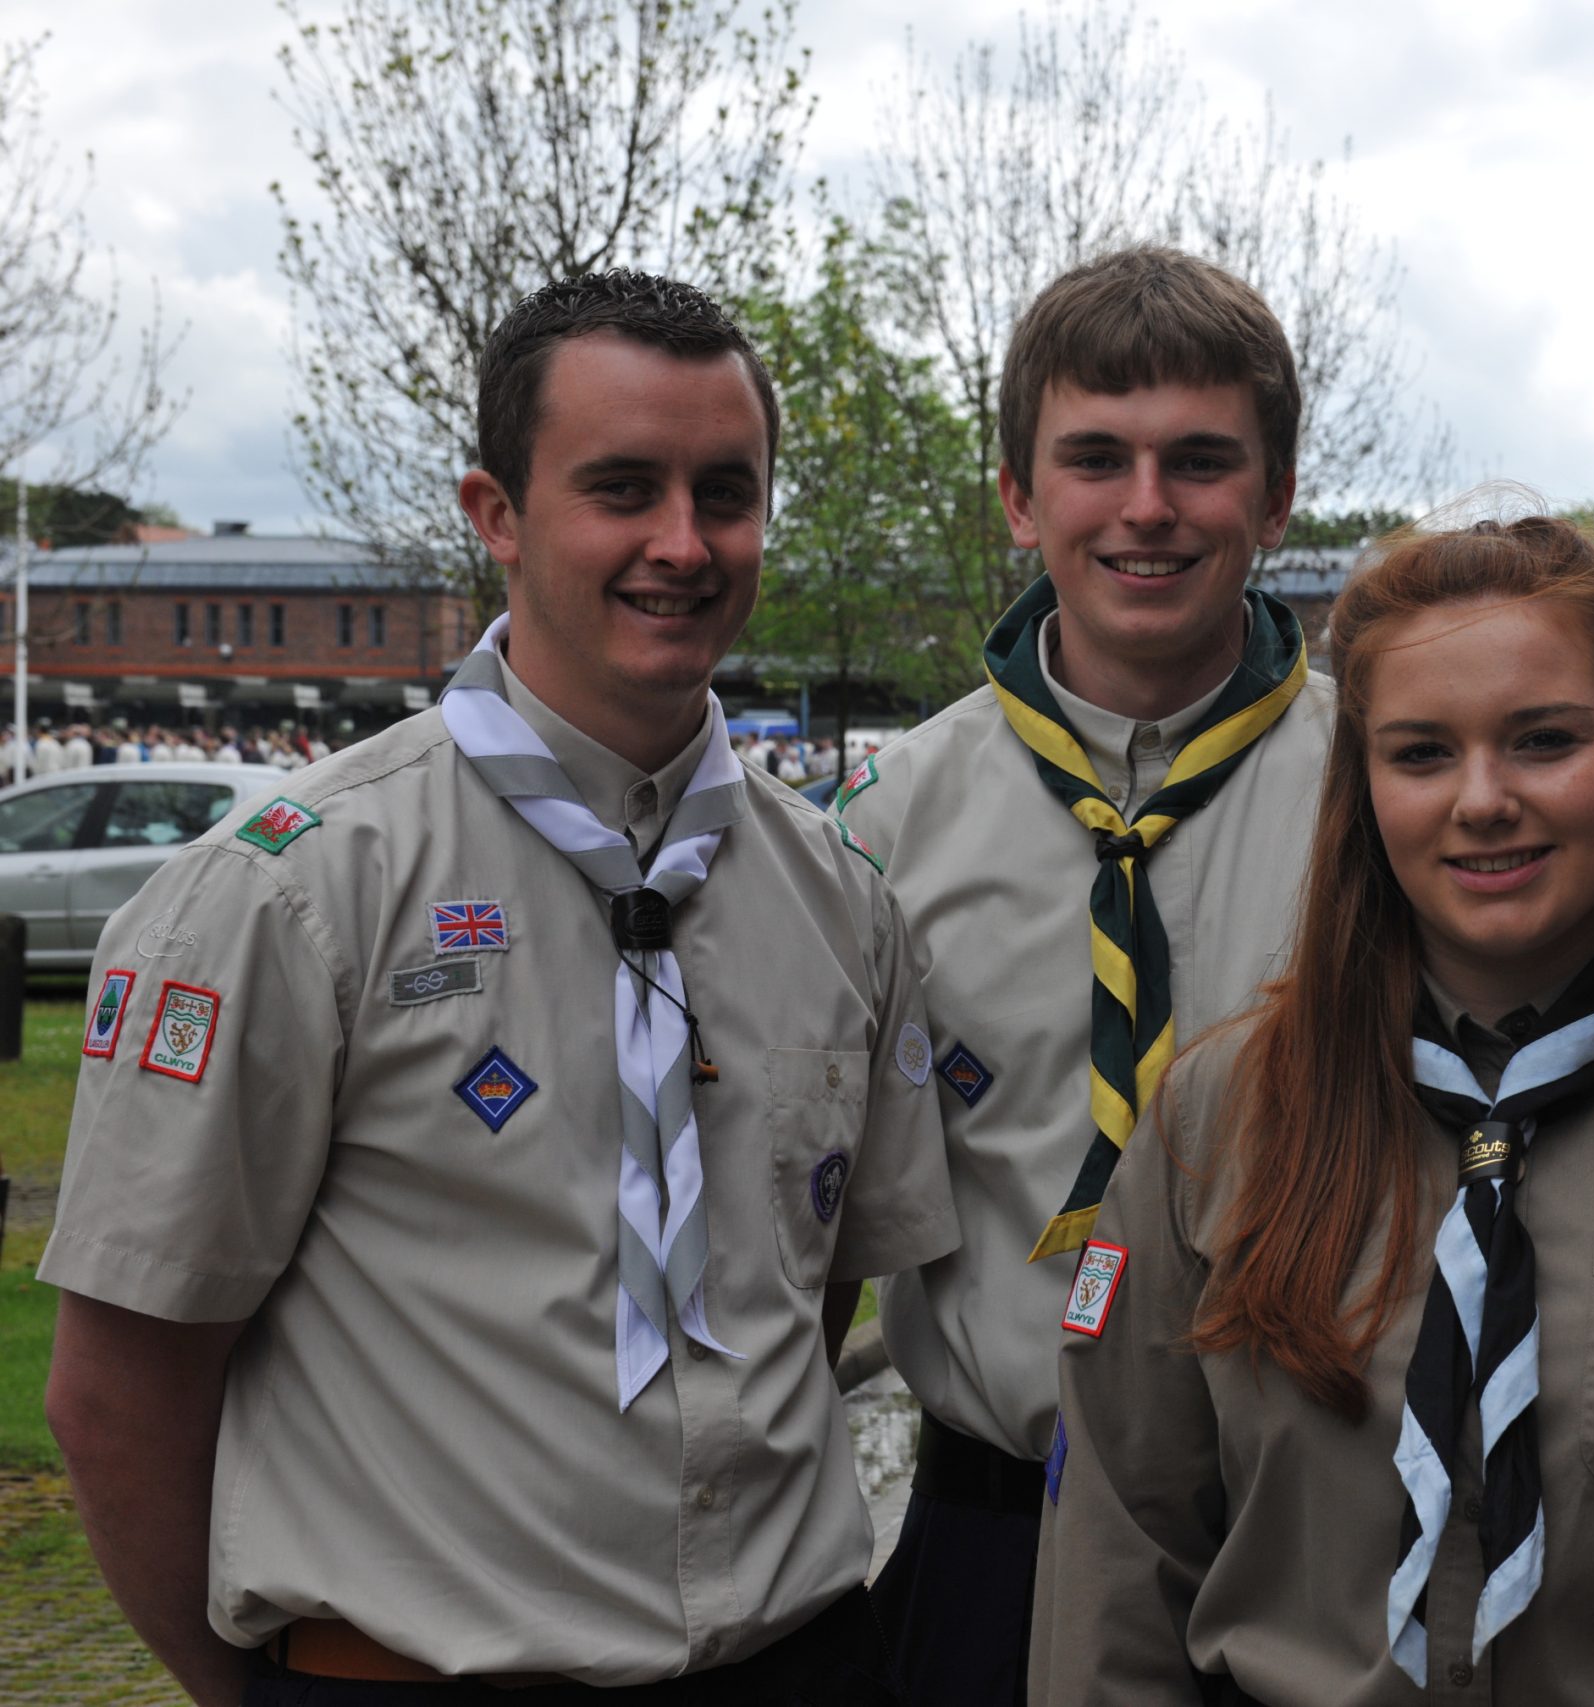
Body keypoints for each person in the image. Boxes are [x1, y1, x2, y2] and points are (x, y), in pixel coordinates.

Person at [41, 268, 957, 1705]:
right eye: (621, 487)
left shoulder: (842, 899)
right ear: (497, 514)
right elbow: (121, 1385)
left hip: (797, 1657)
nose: (683, 541)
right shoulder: (290, 892)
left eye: (727, 490)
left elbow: (815, 1283)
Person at [1030, 513, 1594, 1705]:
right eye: (1419, 754)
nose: (1482, 800)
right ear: (1362, 787)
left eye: (1544, 740)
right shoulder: (1214, 1116)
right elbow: (1118, 1556)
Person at [836, 244, 1332, 1707]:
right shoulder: (878, 830)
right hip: (997, 1531)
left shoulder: (1400, 802)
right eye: (1094, 458)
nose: (1147, 506)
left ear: (1277, 496)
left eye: (1200, 461)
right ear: (1018, 493)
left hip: (1314, 1545)